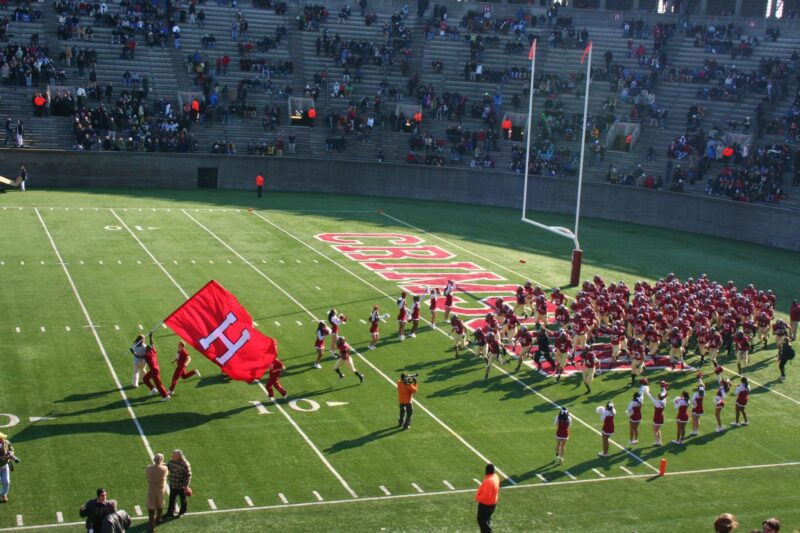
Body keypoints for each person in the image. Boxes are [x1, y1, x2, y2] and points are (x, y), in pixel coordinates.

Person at [165, 450, 192, 519]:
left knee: (183, 499)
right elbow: (166, 467)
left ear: (179, 456)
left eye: (174, 455)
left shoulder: (185, 464)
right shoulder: (171, 462)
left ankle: (182, 512)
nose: (172, 456)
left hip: (181, 485)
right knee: (172, 499)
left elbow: (188, 475)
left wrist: (186, 485)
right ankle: (170, 512)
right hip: (173, 484)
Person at [146, 454, 168, 532]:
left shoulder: (149, 468)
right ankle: (158, 519)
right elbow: (165, 470)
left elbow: (147, 476)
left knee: (151, 508)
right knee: (160, 505)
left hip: (152, 490)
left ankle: (152, 527)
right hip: (161, 490)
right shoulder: (165, 469)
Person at [144, 334, 170, 401]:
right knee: (145, 378)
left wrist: (134, 353)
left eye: (146, 349)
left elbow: (139, 356)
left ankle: (166, 396)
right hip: (155, 370)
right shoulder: (153, 351)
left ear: (147, 350)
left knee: (158, 384)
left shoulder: (147, 355)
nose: (145, 350)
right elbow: (152, 343)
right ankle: (153, 389)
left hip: (154, 371)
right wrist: (150, 337)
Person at [475, 463, 499, 533]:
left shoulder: (489, 480)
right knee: (486, 521)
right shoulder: (495, 476)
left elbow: (486, 495)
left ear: (487, 471)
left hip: (486, 505)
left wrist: (478, 498)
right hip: (492, 503)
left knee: (482, 522)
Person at [645, 381, 668, 445]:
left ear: (659, 397)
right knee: (657, 430)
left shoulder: (657, 403)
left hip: (657, 417)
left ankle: (658, 442)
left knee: (655, 430)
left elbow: (650, 396)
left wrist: (647, 389)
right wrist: (664, 387)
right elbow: (665, 392)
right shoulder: (664, 401)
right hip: (661, 417)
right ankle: (659, 440)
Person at [0, 433, 15, 503]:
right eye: (1, 438)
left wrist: (11, 453)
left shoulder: (6, 442)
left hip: (5, 465)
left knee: (6, 481)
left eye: (2, 438)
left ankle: (3, 494)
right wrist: (2, 458)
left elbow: (11, 449)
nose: (3, 439)